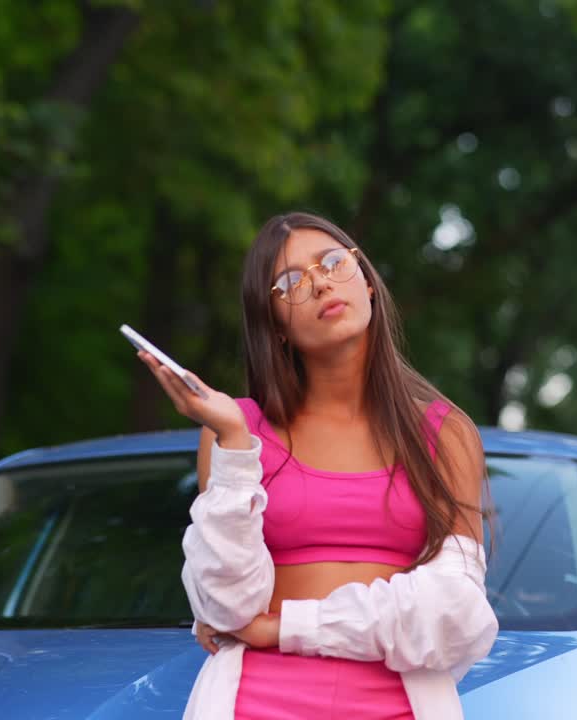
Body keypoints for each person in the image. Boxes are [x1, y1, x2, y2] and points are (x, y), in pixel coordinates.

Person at [137, 211, 498, 720]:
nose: (321, 281)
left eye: (332, 262)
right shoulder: (236, 431)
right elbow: (224, 607)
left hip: (402, 704)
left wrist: (283, 627)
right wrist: (237, 447)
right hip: (252, 702)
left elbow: (455, 612)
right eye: (289, 283)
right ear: (274, 326)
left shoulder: (445, 433)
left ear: (368, 283)